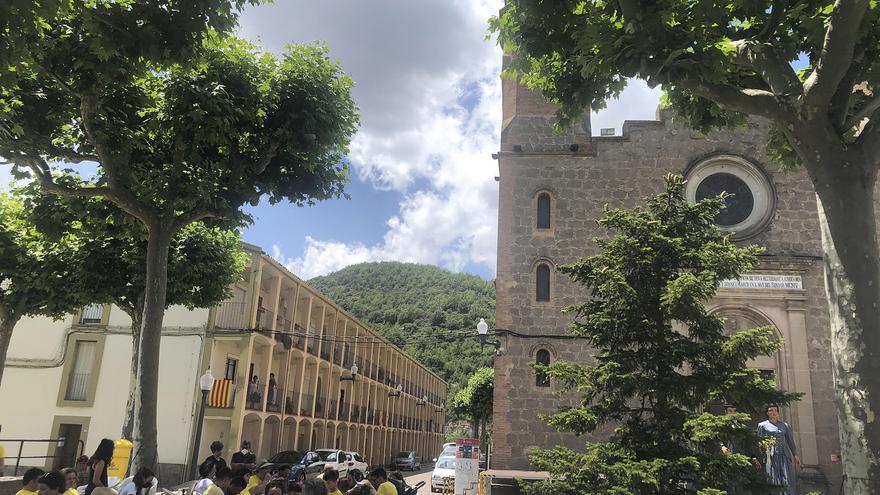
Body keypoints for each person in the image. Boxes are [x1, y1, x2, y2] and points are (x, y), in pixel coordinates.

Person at [757, 404, 800, 495]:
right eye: (771, 410)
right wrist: (763, 452)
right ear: (767, 413)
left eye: (776, 410)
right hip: (771, 456)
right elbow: (759, 442)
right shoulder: (762, 425)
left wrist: (795, 455)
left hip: (784, 455)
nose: (774, 412)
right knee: (774, 478)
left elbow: (790, 441)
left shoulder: (784, 425)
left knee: (787, 478)